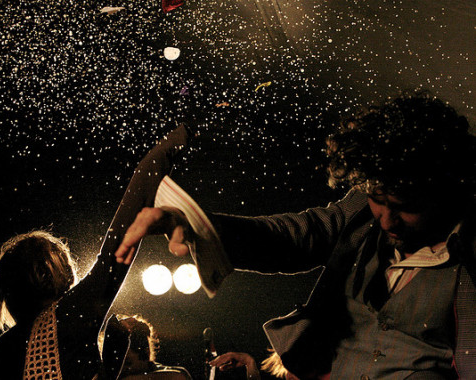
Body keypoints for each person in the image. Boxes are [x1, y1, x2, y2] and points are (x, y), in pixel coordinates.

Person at [115, 92, 476, 379]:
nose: (386, 220)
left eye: (404, 205)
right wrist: (197, 226)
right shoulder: (361, 214)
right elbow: (291, 237)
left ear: (447, 190)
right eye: (377, 199)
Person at [0, 124, 190, 380]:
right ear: (49, 272)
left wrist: (112, 364)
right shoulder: (72, 312)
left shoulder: (3, 348)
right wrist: (167, 149)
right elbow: (121, 237)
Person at [99, 314, 193, 380]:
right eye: (113, 361)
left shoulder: (174, 374)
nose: (120, 367)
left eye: (127, 362)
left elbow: (177, 377)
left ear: (146, 353)